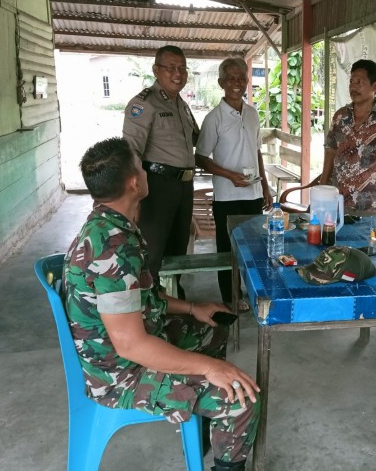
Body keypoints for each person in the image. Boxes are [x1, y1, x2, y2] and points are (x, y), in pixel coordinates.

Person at [64, 138, 260, 471]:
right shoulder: (111, 246)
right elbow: (131, 345)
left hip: (126, 349)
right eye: (141, 166)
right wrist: (208, 367)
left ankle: (199, 429)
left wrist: (192, 307)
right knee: (241, 398)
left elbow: (138, 300)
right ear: (134, 183)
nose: (146, 171)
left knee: (212, 331)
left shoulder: (111, 226)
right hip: (121, 376)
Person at [195, 58, 273, 309]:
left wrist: (265, 186)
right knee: (227, 249)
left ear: (248, 81)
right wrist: (230, 176)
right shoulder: (214, 118)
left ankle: (252, 293)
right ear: (221, 83)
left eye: (241, 77)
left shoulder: (251, 114)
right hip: (227, 195)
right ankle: (231, 297)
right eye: (231, 78)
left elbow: (257, 151)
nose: (237, 83)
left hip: (252, 193)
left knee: (254, 247)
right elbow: (201, 158)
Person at [122, 45, 199, 300]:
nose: (178, 73)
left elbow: (196, 140)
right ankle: (149, 307)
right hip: (156, 187)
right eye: (171, 68)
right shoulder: (143, 104)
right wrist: (135, 198)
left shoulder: (182, 105)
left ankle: (173, 300)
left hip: (183, 187)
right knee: (152, 251)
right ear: (156, 70)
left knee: (178, 249)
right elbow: (131, 151)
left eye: (182, 68)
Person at [319, 59, 376, 216]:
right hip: (337, 200)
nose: (354, 86)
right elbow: (330, 150)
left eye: (360, 82)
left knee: (369, 241)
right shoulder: (340, 116)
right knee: (335, 240)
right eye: (352, 81)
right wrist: (322, 185)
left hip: (371, 204)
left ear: (375, 86)